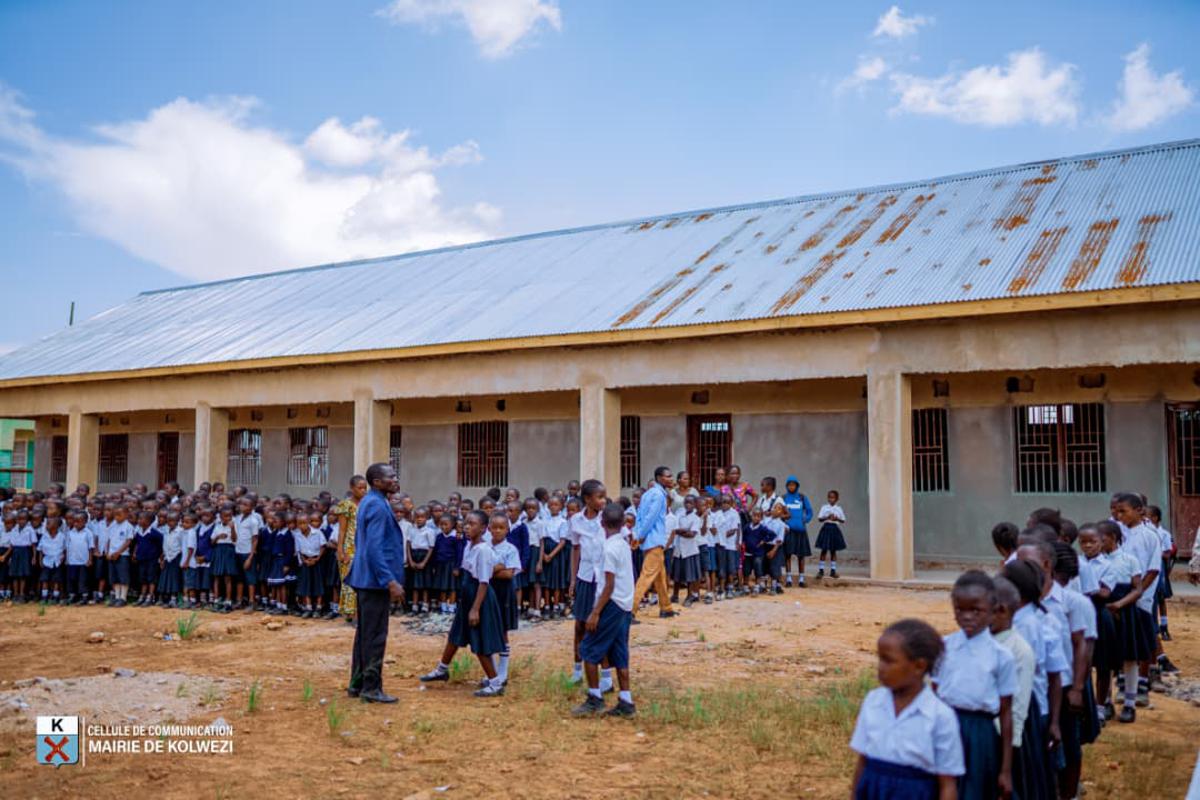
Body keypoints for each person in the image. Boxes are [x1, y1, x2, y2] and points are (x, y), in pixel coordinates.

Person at [849, 618, 964, 799]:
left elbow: (947, 783)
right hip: (873, 789)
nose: (880, 668)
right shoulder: (873, 701)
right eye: (880, 659)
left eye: (888, 661)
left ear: (919, 666)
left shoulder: (940, 716)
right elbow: (862, 762)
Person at [933, 570, 1014, 800]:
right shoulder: (943, 647)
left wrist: (1006, 769)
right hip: (946, 727)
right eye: (960, 609)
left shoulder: (1001, 656)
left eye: (975, 610)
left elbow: (1007, 712)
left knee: (975, 792)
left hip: (981, 735)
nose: (967, 616)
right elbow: (934, 694)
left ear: (992, 611)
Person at [419, 509, 506, 697]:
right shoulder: (469, 545)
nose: (467, 527)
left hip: (479, 599)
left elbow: (483, 581)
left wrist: (475, 609)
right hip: (467, 596)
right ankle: (442, 669)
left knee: (480, 640)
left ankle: (495, 682)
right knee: (455, 634)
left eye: (472, 524)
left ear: (483, 528)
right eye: (466, 523)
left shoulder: (483, 550)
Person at [345, 463, 406, 704]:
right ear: (377, 482)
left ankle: (357, 683)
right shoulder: (378, 506)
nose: (395, 479)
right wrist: (390, 581)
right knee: (375, 636)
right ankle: (371, 688)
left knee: (364, 634)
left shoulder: (371, 501)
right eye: (390, 476)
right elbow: (374, 549)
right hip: (373, 582)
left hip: (365, 579)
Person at [573, 501, 637, 717]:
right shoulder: (623, 545)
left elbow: (608, 585)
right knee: (620, 653)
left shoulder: (609, 549)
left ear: (602, 523)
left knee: (588, 650)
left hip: (611, 604)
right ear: (623, 524)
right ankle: (626, 701)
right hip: (625, 604)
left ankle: (595, 698)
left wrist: (595, 612)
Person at [569, 479, 615, 691]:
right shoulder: (576, 520)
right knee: (580, 625)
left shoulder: (607, 521)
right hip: (585, 577)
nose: (603, 500)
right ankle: (577, 669)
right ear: (587, 499)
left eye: (605, 496)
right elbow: (575, 549)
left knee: (599, 626)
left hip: (603, 579)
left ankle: (606, 675)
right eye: (600, 497)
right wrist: (573, 580)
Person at [631, 467, 678, 619]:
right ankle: (630, 610)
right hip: (654, 540)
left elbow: (639, 516)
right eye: (668, 476)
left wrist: (638, 534)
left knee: (660, 575)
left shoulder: (648, 494)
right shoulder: (658, 496)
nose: (671, 479)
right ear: (659, 478)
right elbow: (650, 518)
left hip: (649, 541)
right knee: (647, 576)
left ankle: (666, 607)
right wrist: (641, 535)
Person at [336, 475, 369, 625]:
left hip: (364, 545)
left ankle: (359, 612)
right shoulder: (345, 505)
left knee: (362, 580)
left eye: (364, 488)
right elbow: (342, 530)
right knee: (349, 580)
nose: (363, 490)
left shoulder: (368, 503)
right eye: (360, 488)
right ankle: (351, 613)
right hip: (349, 546)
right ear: (352, 488)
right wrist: (340, 550)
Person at [781, 475, 813, 588]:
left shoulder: (802, 497)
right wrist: (783, 522)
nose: (791, 487)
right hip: (788, 531)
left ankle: (801, 579)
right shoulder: (784, 497)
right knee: (787, 555)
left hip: (800, 530)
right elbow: (779, 512)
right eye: (789, 485)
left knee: (801, 555)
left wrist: (805, 520)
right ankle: (789, 579)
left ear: (797, 486)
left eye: (793, 485)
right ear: (787, 486)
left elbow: (810, 511)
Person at [815, 490, 847, 579]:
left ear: (837, 499)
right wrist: (827, 517)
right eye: (829, 497)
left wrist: (837, 519)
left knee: (833, 550)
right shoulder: (824, 507)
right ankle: (821, 570)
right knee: (823, 550)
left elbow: (843, 520)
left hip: (834, 529)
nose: (831, 499)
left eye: (833, 497)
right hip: (826, 528)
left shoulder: (839, 509)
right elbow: (820, 519)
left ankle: (833, 571)